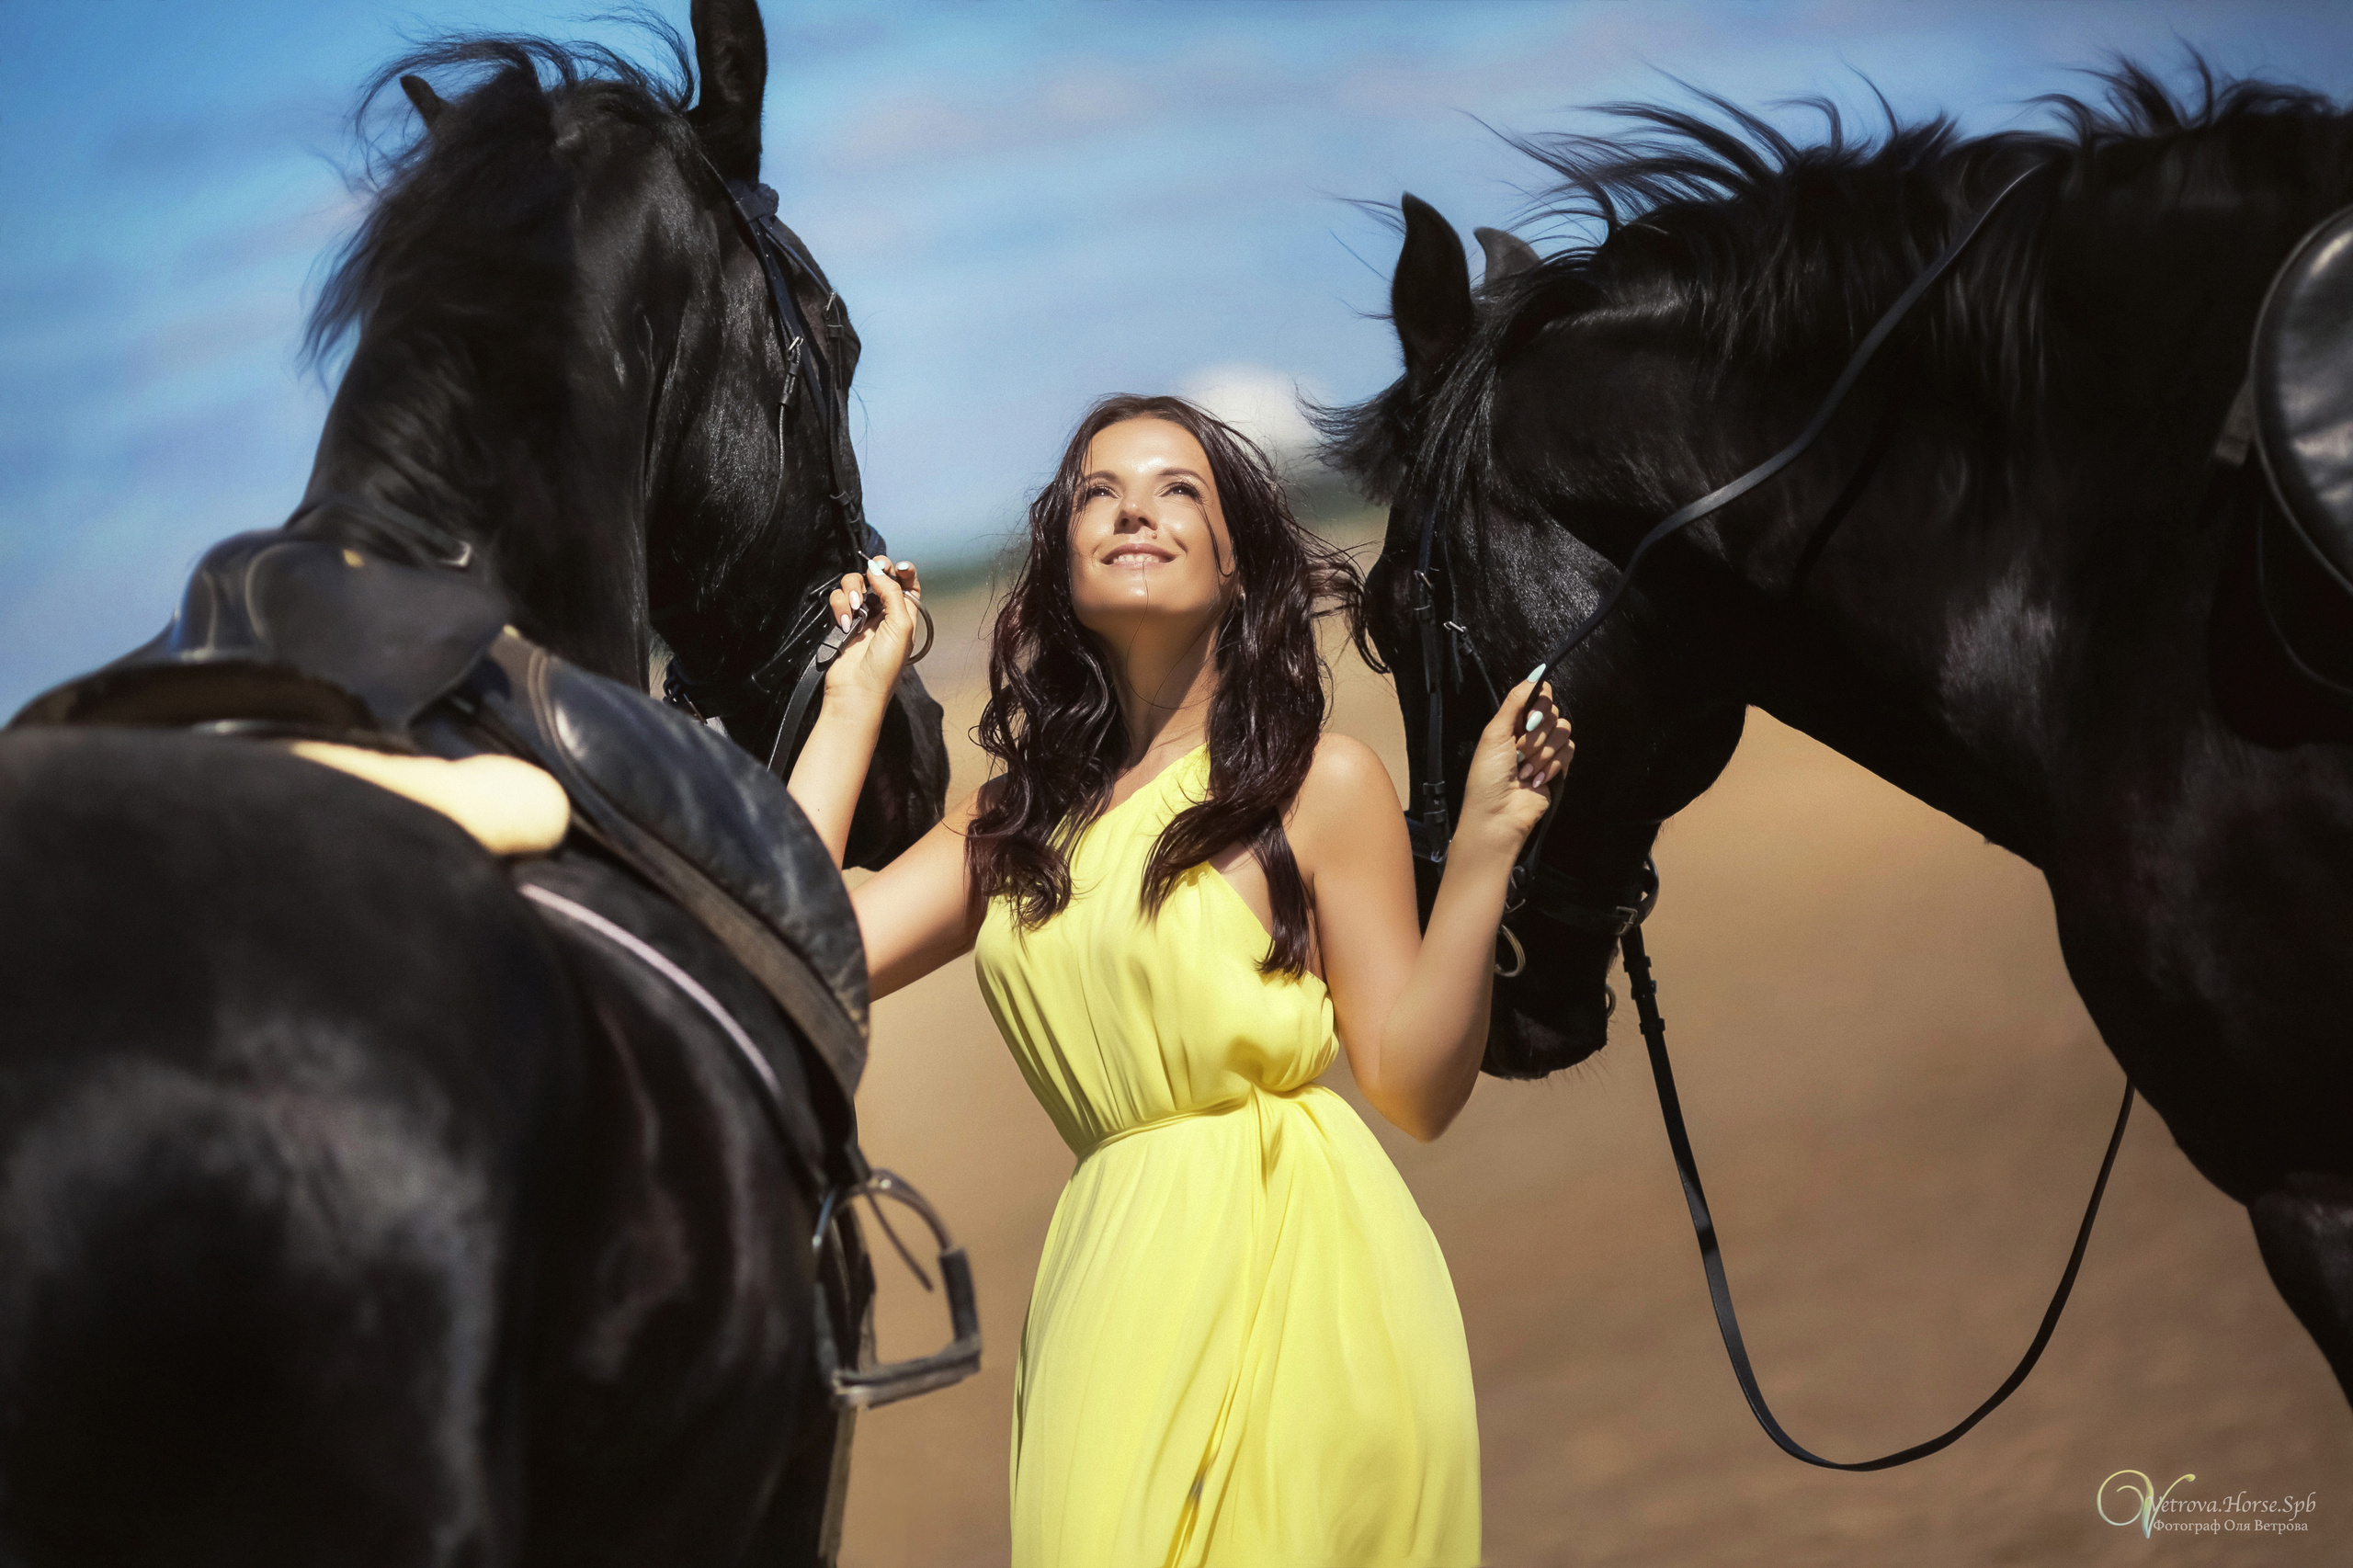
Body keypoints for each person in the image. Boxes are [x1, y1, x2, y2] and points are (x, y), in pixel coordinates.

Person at [786, 394, 1567, 1568]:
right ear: (1061, 558)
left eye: (1176, 489)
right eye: (1097, 492)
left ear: (1237, 560)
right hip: (1111, 1289)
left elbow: (1413, 1083)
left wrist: (1486, 849)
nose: (1132, 509)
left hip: (1310, 1274)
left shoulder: (1318, 784)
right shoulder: (1014, 821)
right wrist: (854, 695)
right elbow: (793, 935)